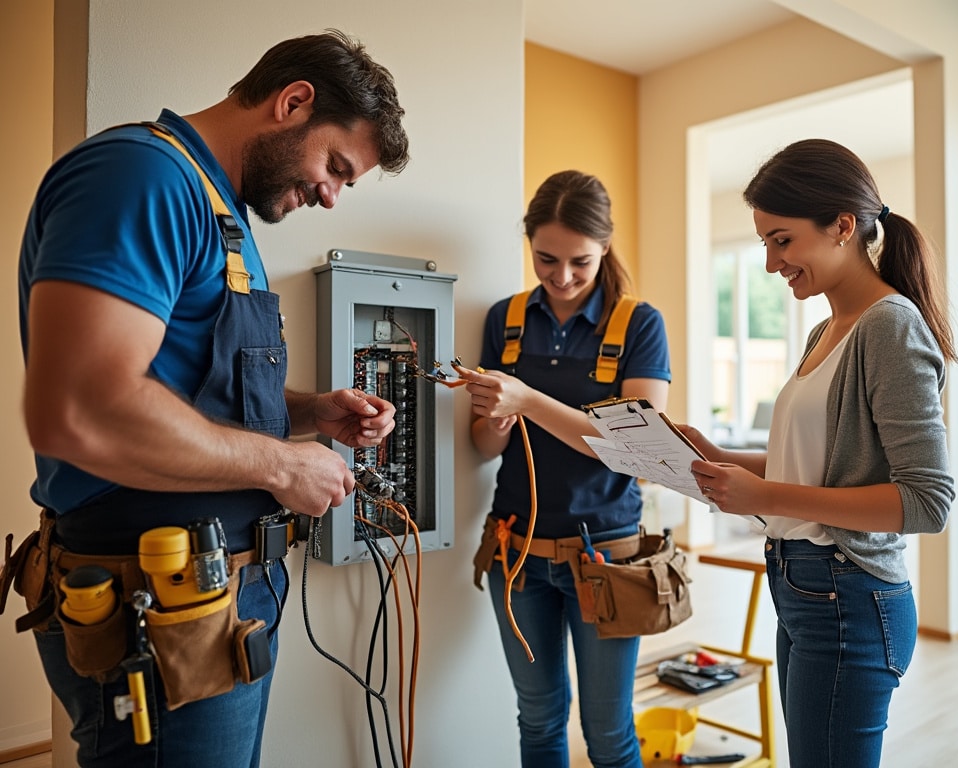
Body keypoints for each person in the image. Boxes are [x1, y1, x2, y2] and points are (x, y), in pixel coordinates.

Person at [10, 30, 410, 767]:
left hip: (216, 607)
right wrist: (285, 469)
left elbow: (188, 394)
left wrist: (308, 412)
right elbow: (80, 410)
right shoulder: (141, 177)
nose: (330, 195)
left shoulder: (220, 211)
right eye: (336, 167)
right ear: (292, 103)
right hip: (154, 615)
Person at [685, 138, 957, 768]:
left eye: (783, 240)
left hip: (851, 595)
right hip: (802, 585)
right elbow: (816, 465)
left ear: (841, 227)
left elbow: (927, 501)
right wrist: (720, 455)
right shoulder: (827, 328)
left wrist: (766, 496)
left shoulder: (890, 326)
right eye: (764, 244)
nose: (772, 262)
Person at [457, 170, 671, 768]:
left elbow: (637, 450)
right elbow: (482, 447)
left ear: (604, 247)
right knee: (539, 720)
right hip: (516, 553)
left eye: (580, 261)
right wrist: (498, 417)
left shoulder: (638, 324)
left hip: (606, 557)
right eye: (545, 258)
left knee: (607, 733)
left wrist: (526, 399)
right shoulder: (506, 319)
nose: (563, 277)